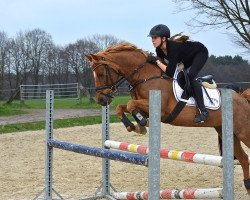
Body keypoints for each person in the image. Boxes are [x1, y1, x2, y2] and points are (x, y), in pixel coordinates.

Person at [147, 24, 209, 123]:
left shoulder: (173, 47)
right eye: (152, 38)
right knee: (181, 78)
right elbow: (163, 67)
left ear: (163, 39)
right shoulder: (158, 49)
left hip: (200, 52)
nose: (152, 40)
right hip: (186, 58)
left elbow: (169, 72)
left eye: (155, 37)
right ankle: (192, 95)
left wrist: (157, 62)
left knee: (191, 75)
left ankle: (204, 112)